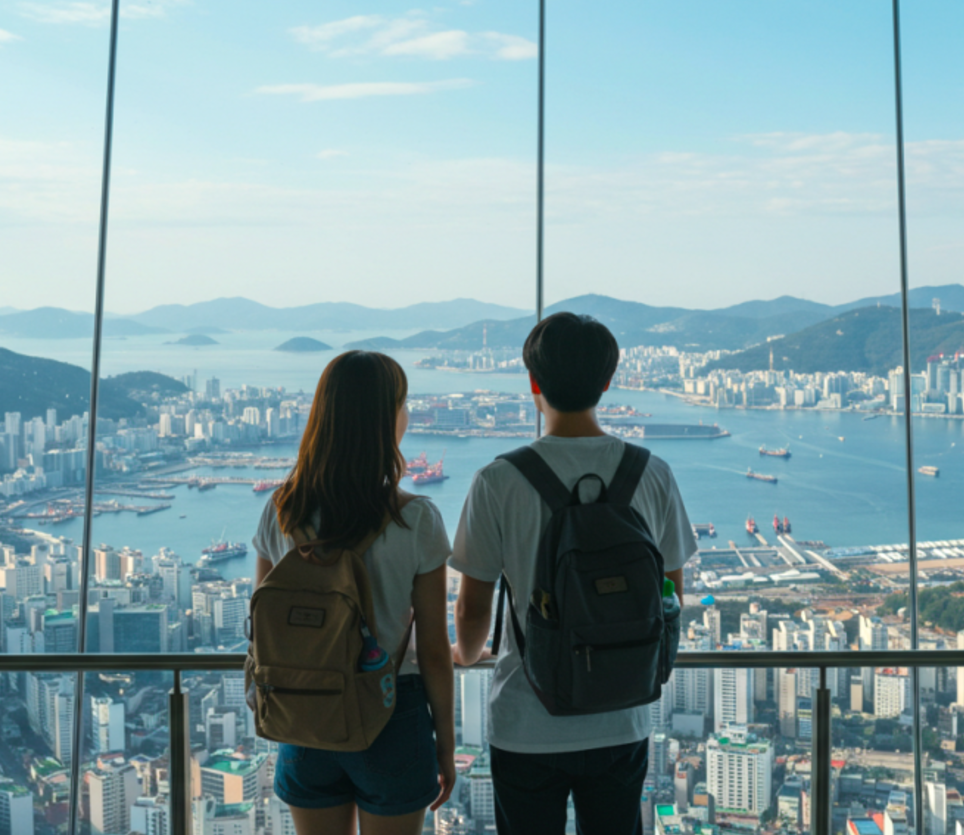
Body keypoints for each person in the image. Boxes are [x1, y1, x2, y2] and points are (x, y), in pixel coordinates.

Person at [450, 313, 697, 835]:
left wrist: (466, 656)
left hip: (526, 718)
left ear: (533, 383)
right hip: (622, 711)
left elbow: (473, 606)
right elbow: (671, 590)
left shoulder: (498, 480)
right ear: (608, 383)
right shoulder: (650, 472)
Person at [253, 351, 455, 835]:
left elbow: (263, 624)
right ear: (387, 419)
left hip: (305, 714)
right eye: (404, 403)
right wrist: (444, 744)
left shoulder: (281, 510)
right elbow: (432, 648)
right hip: (392, 712)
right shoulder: (416, 519)